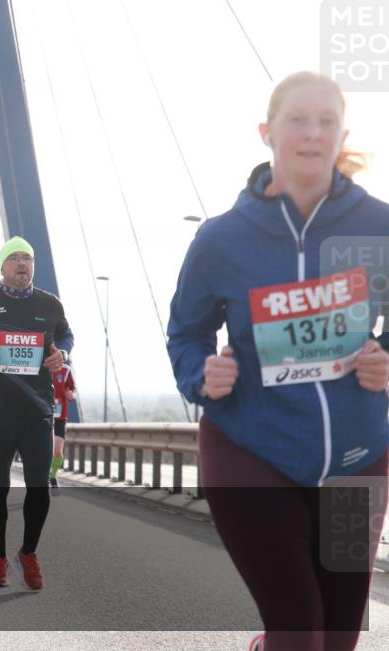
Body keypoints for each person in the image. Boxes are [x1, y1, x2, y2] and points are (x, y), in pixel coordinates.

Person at [167, 71, 389, 651]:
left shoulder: (380, 227)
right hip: (250, 450)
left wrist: (385, 358)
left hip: (357, 457)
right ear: (267, 132)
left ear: (342, 135)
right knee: (299, 632)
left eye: (327, 122)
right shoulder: (221, 239)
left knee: (337, 641)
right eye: (298, 119)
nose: (313, 133)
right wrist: (201, 376)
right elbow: (186, 334)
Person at [0, 237, 74, 590]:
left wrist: (61, 354)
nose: (22, 263)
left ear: (33, 266)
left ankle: (28, 552)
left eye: (27, 258)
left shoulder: (50, 305)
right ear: (2, 267)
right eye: (15, 258)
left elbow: (66, 337)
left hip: (37, 412)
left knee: (38, 488)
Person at [49, 363, 75, 495]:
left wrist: (70, 394)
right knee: (43, 451)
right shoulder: (39, 365)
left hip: (60, 416)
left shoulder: (66, 370)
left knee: (57, 451)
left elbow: (73, 390)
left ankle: (53, 477)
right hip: (41, 415)